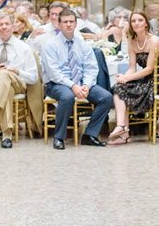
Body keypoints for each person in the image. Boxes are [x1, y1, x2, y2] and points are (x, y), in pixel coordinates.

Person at [40, 9, 112, 150]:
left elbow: (91, 68)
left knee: (107, 97)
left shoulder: (83, 44)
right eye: (65, 22)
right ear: (59, 24)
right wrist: (73, 86)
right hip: (56, 84)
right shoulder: (50, 46)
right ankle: (59, 137)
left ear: (76, 23)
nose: (68, 25)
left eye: (71, 22)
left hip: (80, 82)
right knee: (67, 97)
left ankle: (90, 134)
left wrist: (86, 85)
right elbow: (54, 73)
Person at [0, 11, 39, 148]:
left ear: (13, 27)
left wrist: (17, 71)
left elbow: (33, 77)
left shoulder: (24, 48)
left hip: (17, 82)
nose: (4, 27)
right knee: (6, 87)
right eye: (0, 25)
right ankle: (7, 135)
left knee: (5, 75)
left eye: (7, 24)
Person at [107, 10, 159, 145]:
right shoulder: (132, 42)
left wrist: (128, 79)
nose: (136, 23)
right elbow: (132, 68)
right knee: (118, 87)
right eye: (133, 21)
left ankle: (123, 131)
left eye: (140, 20)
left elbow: (150, 68)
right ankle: (122, 129)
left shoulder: (154, 40)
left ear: (146, 23)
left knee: (124, 86)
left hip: (158, 79)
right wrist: (124, 78)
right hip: (144, 78)